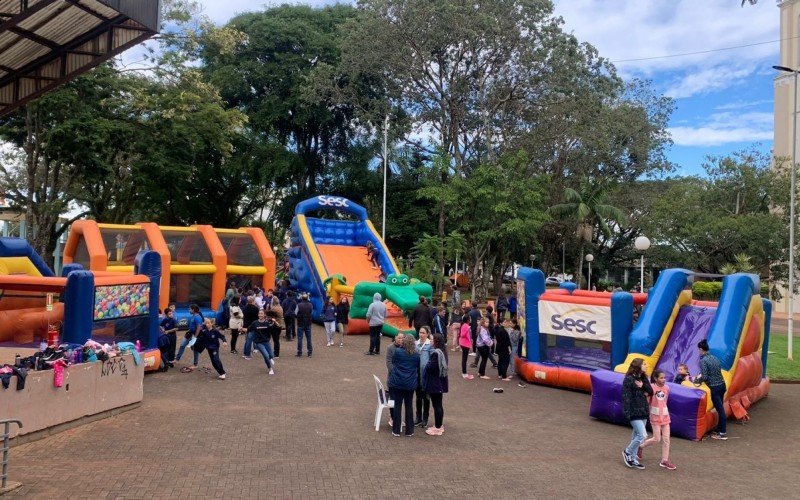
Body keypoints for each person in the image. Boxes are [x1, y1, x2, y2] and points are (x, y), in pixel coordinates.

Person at [640, 369, 676, 470]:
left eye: (664, 377)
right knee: (657, 439)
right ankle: (640, 446)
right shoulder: (651, 387)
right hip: (655, 417)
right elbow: (647, 401)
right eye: (661, 378)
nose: (664, 379)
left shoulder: (667, 388)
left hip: (665, 417)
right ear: (655, 378)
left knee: (666, 440)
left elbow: (664, 401)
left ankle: (664, 460)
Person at [693, 339, 728, 440]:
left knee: (720, 410)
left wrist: (696, 380)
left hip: (715, 388)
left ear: (700, 349)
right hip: (722, 386)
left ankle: (722, 433)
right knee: (719, 408)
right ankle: (720, 429)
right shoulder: (714, 358)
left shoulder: (703, 361)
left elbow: (705, 376)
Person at [622, 358, 652, 470]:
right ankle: (627, 451)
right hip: (634, 411)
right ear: (638, 365)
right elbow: (626, 396)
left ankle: (633, 458)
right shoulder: (629, 379)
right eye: (644, 364)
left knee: (636, 436)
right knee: (643, 435)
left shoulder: (644, 378)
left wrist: (642, 386)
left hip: (643, 410)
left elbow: (650, 391)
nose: (646, 366)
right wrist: (627, 411)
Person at [388, 335, 420, 437]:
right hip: (410, 383)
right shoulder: (416, 355)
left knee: (397, 405)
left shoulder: (397, 351)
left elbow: (393, 361)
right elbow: (417, 367)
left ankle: (396, 430)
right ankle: (409, 431)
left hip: (397, 382)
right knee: (409, 405)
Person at [424, 333, 449, 436]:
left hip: (435, 383)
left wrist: (427, 364)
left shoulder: (436, 354)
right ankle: (439, 425)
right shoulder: (443, 352)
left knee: (437, 405)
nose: (430, 341)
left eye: (432, 340)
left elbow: (431, 367)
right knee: (439, 404)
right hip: (440, 382)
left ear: (436, 341)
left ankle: (438, 428)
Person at [248, 309, 277, 375]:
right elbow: (248, 329)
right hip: (258, 343)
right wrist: (241, 328)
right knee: (266, 355)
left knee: (271, 355)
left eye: (261, 314)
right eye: (259, 313)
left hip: (266, 342)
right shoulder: (255, 323)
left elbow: (274, 329)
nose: (260, 315)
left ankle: (270, 358)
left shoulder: (267, 323)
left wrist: (274, 322)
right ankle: (270, 369)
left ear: (264, 315)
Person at [414, 327, 431, 428]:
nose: (421, 334)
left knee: (426, 397)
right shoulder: (416, 344)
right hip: (417, 374)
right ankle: (418, 417)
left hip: (426, 375)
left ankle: (425, 418)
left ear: (427, 334)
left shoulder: (429, 345)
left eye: (423, 333)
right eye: (420, 332)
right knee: (418, 397)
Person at [241, 295, 261, 360]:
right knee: (250, 340)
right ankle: (247, 354)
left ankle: (245, 352)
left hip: (246, 325)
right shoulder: (255, 309)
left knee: (247, 340)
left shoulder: (245, 308)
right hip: (252, 326)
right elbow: (258, 317)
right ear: (253, 301)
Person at [296, 293, 314, 357]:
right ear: (307, 298)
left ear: (302, 298)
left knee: (300, 338)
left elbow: (295, 313)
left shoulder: (299, 305)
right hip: (308, 323)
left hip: (300, 323)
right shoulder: (310, 305)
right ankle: (310, 352)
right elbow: (312, 312)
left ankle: (299, 352)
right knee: (309, 339)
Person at [459, 315, 474, 380]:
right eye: (470, 318)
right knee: (464, 359)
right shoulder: (465, 326)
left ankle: (465, 373)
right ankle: (464, 373)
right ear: (468, 320)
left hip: (465, 344)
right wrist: (467, 329)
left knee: (465, 359)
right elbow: (462, 335)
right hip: (464, 344)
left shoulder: (465, 325)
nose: (471, 319)